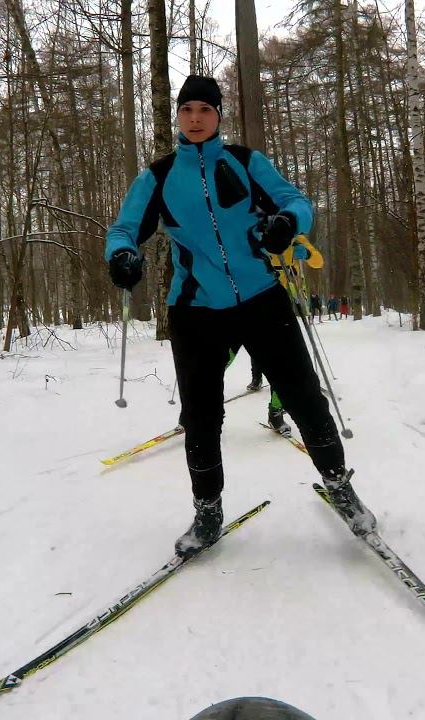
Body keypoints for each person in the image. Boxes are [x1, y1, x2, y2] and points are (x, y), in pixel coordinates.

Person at [104, 76, 376, 556]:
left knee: (304, 398)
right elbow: (125, 229)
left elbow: (296, 203)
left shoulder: (247, 162)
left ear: (218, 115)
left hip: (262, 297)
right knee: (202, 417)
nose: (194, 117)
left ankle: (341, 487)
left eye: (204, 109)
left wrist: (286, 224)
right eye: (187, 109)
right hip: (195, 310)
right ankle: (207, 511)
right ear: (178, 117)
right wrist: (122, 255)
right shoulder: (159, 176)